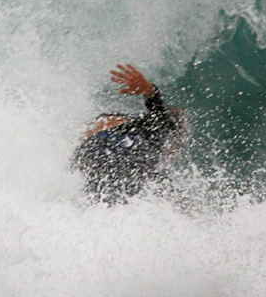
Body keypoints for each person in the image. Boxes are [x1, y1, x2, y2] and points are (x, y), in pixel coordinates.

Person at [71, 63, 186, 203]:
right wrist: (151, 91)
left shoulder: (126, 121)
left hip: (91, 149)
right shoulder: (158, 133)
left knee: (92, 196)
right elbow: (161, 116)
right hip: (122, 148)